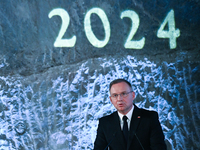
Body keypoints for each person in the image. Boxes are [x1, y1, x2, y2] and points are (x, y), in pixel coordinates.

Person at [93, 79, 167, 150]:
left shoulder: (149, 118)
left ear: (133, 95)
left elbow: (159, 147)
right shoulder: (105, 123)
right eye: (115, 95)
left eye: (124, 94)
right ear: (111, 100)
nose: (119, 99)